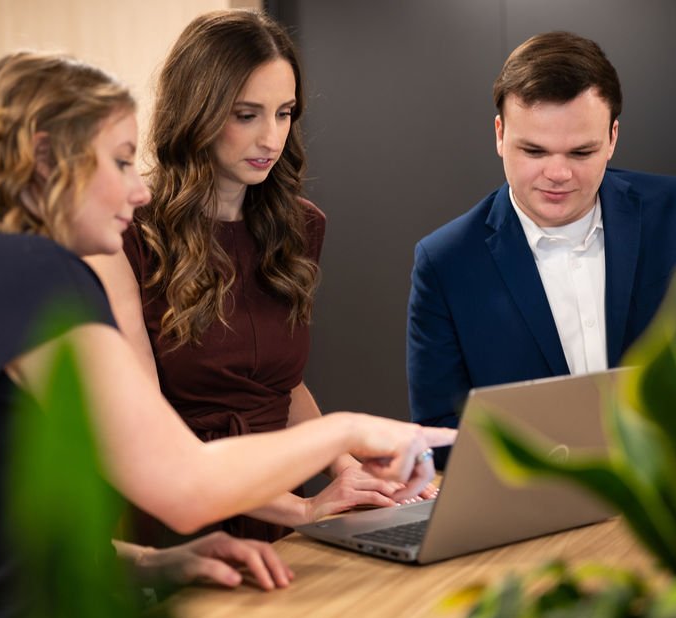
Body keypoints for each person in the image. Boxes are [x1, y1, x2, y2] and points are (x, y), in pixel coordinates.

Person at [0, 52, 452, 618]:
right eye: (118, 161)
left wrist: (152, 564)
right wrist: (346, 432)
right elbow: (183, 484)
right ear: (45, 158)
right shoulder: (17, 273)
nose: (139, 189)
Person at [88, 9, 432, 547]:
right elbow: (146, 431)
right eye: (246, 115)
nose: (270, 137)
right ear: (196, 112)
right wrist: (301, 507)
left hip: (284, 512)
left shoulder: (299, 225)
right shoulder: (126, 231)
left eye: (285, 113)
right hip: (181, 518)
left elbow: (281, 387)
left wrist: (345, 471)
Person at [407, 31, 676, 466]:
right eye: (534, 150)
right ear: (500, 134)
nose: (557, 173)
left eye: (581, 152)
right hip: (531, 517)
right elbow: (442, 430)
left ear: (612, 137)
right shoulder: (445, 262)